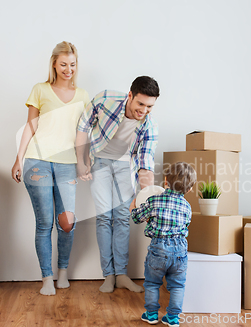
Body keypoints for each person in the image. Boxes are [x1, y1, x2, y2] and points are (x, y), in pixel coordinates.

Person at [11, 41, 90, 296]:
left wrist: (83, 162)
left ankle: (63, 271)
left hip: (67, 164)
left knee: (67, 222)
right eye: (64, 64)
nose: (69, 69)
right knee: (44, 222)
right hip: (38, 160)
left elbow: (83, 134)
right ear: (54, 63)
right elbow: (30, 127)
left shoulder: (83, 96)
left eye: (73, 65)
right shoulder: (40, 89)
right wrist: (18, 158)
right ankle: (46, 277)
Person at [75, 76, 160, 293]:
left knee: (122, 218)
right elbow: (83, 123)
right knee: (104, 217)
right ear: (130, 96)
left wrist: (147, 198)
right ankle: (108, 276)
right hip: (100, 161)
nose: (144, 111)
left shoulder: (149, 125)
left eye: (150, 106)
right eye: (140, 104)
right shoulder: (106, 99)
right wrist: (81, 160)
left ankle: (121, 275)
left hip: (126, 166)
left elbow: (145, 164)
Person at [130, 162, 197, 327]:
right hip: (180, 249)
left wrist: (133, 207)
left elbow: (137, 218)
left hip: (158, 249)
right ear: (189, 189)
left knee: (152, 283)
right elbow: (185, 226)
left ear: (165, 181)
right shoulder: (187, 207)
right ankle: (173, 317)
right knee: (177, 285)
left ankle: (152, 314)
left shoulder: (154, 200)